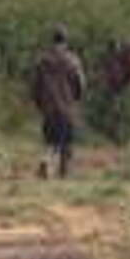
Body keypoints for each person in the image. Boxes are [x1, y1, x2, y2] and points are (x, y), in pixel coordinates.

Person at [29, 26, 86, 179]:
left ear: (52, 40)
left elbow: (35, 86)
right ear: (66, 40)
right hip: (67, 107)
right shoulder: (73, 60)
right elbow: (80, 84)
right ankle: (64, 172)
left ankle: (46, 161)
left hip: (48, 108)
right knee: (67, 142)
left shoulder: (42, 61)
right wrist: (76, 99)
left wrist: (39, 103)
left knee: (50, 141)